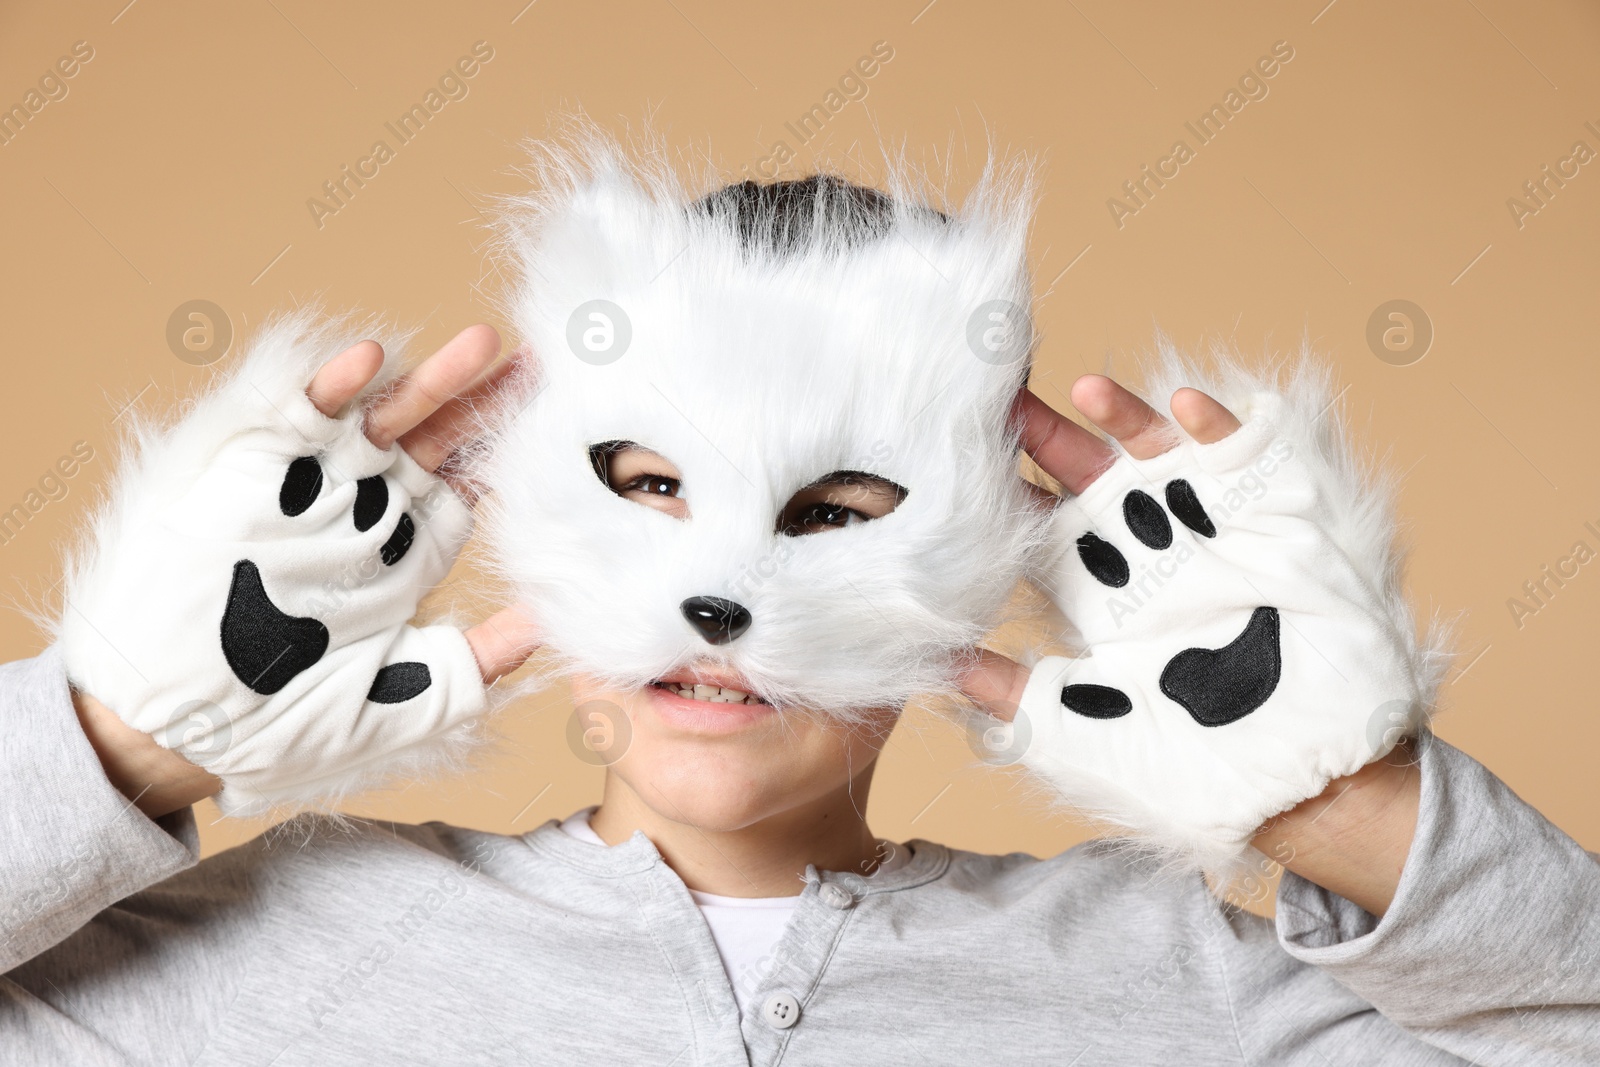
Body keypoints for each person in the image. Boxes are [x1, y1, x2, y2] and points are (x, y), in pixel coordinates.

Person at [4, 168, 1598, 1066]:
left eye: (841, 515)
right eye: (649, 486)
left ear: (991, 539)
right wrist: (119, 743)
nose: (729, 589)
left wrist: (1339, 794)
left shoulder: (1170, 982)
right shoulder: (283, 957)